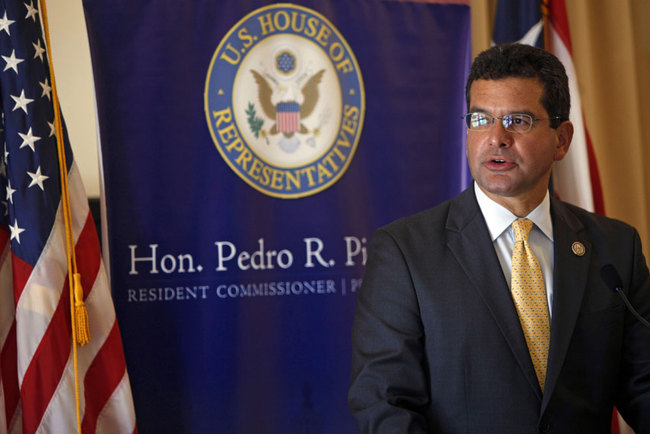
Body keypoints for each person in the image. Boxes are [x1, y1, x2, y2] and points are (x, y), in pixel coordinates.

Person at [348, 43, 650, 433]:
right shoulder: (405, 252)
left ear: (562, 139)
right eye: (479, 119)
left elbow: (643, 384)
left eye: (519, 120)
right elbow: (384, 403)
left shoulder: (614, 247)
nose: (496, 138)